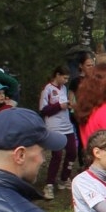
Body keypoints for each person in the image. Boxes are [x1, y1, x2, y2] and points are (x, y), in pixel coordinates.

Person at [37, 68, 76, 200]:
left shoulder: (64, 88)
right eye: (64, 78)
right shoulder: (47, 89)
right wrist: (60, 106)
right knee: (57, 155)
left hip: (67, 126)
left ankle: (64, 179)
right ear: (57, 75)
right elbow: (43, 110)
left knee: (72, 152)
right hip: (54, 127)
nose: (66, 81)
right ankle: (49, 184)